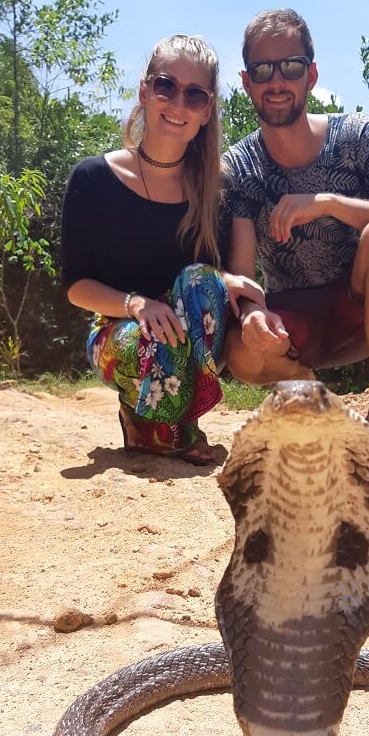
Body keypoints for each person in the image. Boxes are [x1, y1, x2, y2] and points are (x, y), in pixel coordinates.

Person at [221, 9, 369, 450]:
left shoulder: (357, 136)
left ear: (311, 75)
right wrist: (252, 316)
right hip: (291, 330)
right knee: (239, 350)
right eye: (263, 69)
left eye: (291, 66)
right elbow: (242, 277)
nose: (277, 80)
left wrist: (330, 204)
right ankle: (305, 382)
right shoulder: (239, 165)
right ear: (247, 83)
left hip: (360, 314)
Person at [61, 34, 262, 464]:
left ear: (208, 110)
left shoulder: (222, 189)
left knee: (201, 279)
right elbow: (77, 287)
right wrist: (136, 304)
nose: (178, 104)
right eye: (166, 86)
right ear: (145, 90)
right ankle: (170, 426)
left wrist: (223, 281)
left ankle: (163, 422)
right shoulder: (93, 178)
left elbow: (234, 288)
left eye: (195, 94)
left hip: (194, 339)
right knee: (150, 336)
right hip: (120, 334)